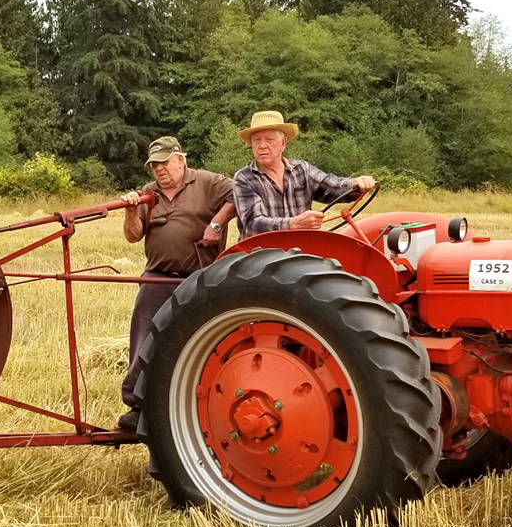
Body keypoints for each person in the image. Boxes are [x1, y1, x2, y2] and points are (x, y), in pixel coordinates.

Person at [116, 137, 236, 432]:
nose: (159, 169)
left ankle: (208, 402)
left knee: (207, 338)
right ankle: (137, 405)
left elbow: (242, 194)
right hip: (157, 275)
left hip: (201, 275)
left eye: (164, 162)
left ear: (181, 159)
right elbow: (134, 236)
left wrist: (217, 223)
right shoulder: (148, 193)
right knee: (145, 335)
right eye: (154, 165)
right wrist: (131, 211)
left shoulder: (207, 182)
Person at [231, 110, 377, 239]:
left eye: (269, 139)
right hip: (260, 254)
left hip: (299, 249)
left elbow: (332, 186)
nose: (262, 145)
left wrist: (355, 183)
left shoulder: (302, 169)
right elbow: (253, 223)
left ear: (283, 143)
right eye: (257, 140)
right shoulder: (244, 178)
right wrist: (293, 223)